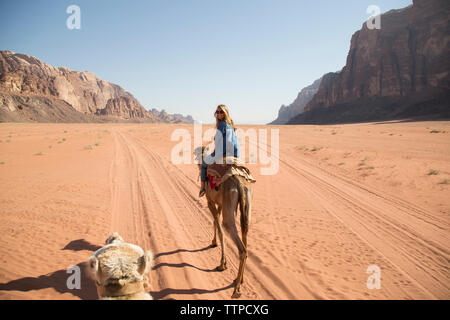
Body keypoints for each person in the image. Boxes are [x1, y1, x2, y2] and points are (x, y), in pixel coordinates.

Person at [199, 104, 240, 197]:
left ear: (225, 113)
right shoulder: (230, 125)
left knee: (203, 165)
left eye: (221, 112)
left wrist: (218, 154)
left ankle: (202, 189)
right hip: (235, 154)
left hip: (225, 153)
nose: (219, 113)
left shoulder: (222, 124)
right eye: (217, 112)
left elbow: (228, 142)